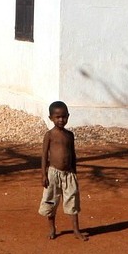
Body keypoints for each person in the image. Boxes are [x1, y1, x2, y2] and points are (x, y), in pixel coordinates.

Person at [39, 100, 87, 241]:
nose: (61, 120)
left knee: (73, 200)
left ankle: (76, 230)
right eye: (57, 117)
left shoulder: (70, 135)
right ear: (51, 118)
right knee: (50, 201)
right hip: (53, 174)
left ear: (68, 116)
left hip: (69, 174)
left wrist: (75, 172)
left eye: (64, 116)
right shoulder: (49, 135)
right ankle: (52, 228)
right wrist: (43, 174)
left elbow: (73, 154)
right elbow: (44, 155)